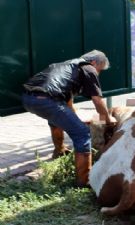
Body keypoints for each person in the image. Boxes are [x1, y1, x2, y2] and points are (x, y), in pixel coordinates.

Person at [22, 50, 116, 186]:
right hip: (47, 100)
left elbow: (67, 103)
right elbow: (97, 100)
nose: (98, 74)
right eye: (99, 70)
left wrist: (75, 120)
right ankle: (84, 180)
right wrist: (107, 120)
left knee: (56, 122)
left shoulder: (68, 66)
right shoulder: (89, 68)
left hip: (28, 99)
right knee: (82, 133)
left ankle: (59, 151)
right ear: (94, 62)